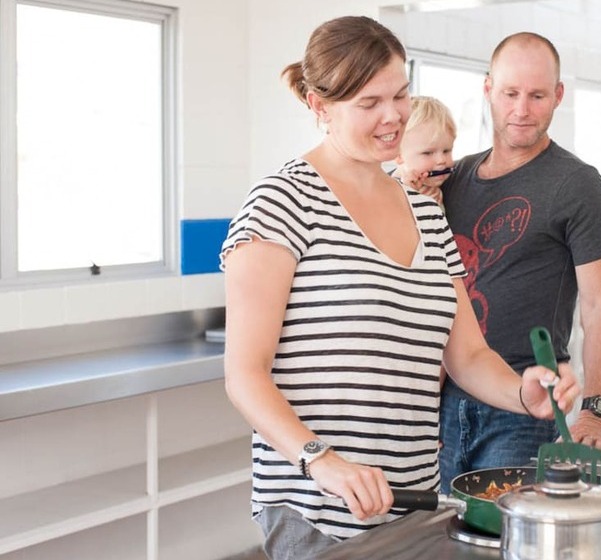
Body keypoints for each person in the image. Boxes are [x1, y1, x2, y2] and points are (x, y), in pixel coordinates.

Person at [219, 17, 580, 560]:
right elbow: (244, 375)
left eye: (400, 95)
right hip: (317, 511)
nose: (392, 117)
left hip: (414, 504)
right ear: (320, 106)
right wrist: (321, 460)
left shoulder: (427, 214)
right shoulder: (282, 203)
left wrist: (520, 393)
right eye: (368, 103)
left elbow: (467, 354)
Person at [438, 31, 601, 491]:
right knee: (442, 529)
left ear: (558, 95)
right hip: (443, 403)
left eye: (537, 96)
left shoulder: (577, 184)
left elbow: (600, 304)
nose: (521, 109)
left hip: (527, 408)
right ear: (488, 90)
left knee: (509, 528)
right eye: (510, 93)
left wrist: (595, 412)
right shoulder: (452, 178)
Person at [393, 95, 457, 206]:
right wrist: (408, 195)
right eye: (428, 153)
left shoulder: (435, 189)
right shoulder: (390, 191)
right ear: (398, 155)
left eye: (446, 151)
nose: (441, 160)